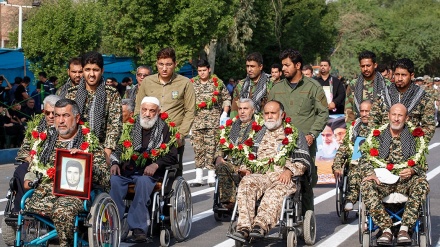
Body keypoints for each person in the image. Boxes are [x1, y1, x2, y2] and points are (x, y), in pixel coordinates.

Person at [23, 99, 110, 247]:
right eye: (57, 116)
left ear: (76, 118)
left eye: (65, 116)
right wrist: (29, 177)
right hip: (46, 191)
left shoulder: (89, 140)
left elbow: (105, 177)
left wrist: (84, 162)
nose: (60, 121)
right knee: (25, 205)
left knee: (63, 211)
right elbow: (34, 165)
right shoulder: (45, 140)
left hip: (76, 195)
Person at [232, 101, 311, 241]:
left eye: (273, 113)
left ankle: (260, 226)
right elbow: (249, 157)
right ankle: (244, 228)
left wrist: (289, 171)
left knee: (276, 190)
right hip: (261, 175)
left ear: (282, 115)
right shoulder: (257, 133)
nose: (269, 116)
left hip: (283, 177)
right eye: (266, 113)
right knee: (246, 182)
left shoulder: (294, 133)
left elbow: (303, 161)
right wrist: (246, 169)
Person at [110, 96, 178, 242]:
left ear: (158, 112)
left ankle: (138, 228)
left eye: (152, 111)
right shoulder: (129, 126)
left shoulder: (165, 129)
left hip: (150, 174)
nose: (147, 114)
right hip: (128, 170)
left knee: (142, 183)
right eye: (144, 110)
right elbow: (118, 149)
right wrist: (114, 163)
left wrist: (156, 164)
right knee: (114, 180)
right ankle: (113, 223)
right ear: (140, 110)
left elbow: (172, 156)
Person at [268, 48, 328, 212]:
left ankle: (307, 218)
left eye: (287, 65)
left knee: (306, 180)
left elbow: (322, 113)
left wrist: (312, 134)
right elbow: (267, 114)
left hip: (305, 143)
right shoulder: (276, 88)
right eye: (282, 65)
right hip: (280, 143)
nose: (284, 69)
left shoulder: (313, 87)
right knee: (276, 177)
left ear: (298, 65)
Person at [360, 103, 429, 245]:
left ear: (406, 118)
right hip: (383, 181)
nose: (396, 118)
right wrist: (371, 173)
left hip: (406, 181)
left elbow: (423, 166)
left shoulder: (415, 137)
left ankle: (404, 229)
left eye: (400, 115)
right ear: (388, 116)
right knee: (367, 184)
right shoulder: (376, 136)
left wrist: (412, 170)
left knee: (422, 183)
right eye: (394, 115)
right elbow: (364, 160)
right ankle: (386, 229)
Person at [134, 47, 195, 177]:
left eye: (168, 64)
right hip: (148, 136)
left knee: (172, 174)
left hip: (173, 137)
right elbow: (137, 109)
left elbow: (190, 111)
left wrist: (181, 135)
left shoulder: (185, 83)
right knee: (142, 171)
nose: (164, 68)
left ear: (175, 64)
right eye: (161, 64)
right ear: (156, 63)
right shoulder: (147, 82)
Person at [65, 51, 122, 164]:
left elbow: (114, 126)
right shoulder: (72, 93)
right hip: (74, 147)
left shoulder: (111, 94)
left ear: (102, 70)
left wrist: (106, 154)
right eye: (87, 70)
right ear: (83, 70)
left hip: (101, 150)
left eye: (95, 70)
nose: (91, 74)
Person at [370, 58, 436, 142]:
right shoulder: (383, 95)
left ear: (412, 75)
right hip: (383, 145)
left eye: (404, 75)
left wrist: (418, 144)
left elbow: (429, 125)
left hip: (410, 147)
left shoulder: (423, 97)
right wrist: (376, 142)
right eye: (397, 74)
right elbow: (373, 120)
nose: (400, 78)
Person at [189, 59, 231, 186]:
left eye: (204, 70)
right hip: (196, 122)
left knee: (212, 148)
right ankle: (199, 176)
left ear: (209, 70)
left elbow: (226, 98)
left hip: (213, 121)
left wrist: (224, 113)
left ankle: (211, 176)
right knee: (198, 149)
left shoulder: (217, 83)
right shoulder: (192, 84)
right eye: (199, 71)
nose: (202, 73)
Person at [215, 98, 260, 210]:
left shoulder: (260, 126)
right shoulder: (231, 126)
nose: (242, 112)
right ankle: (229, 202)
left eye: (246, 108)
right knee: (222, 165)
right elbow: (222, 143)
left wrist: (249, 166)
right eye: (240, 108)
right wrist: (219, 156)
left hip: (251, 165)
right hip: (233, 164)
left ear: (253, 110)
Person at [332, 100, 372, 211]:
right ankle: (350, 199)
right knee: (354, 170)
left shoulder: (381, 128)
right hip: (357, 161)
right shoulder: (354, 128)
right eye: (362, 111)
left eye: (367, 111)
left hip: (375, 162)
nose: (364, 114)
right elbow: (343, 149)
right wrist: (337, 167)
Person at [344, 50, 388, 124]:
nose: (365, 69)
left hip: (380, 127)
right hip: (358, 127)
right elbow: (349, 110)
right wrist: (350, 130)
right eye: (362, 66)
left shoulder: (386, 84)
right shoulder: (353, 84)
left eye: (368, 65)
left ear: (375, 65)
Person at [230, 52, 270, 118]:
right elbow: (235, 108)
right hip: (244, 123)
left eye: (252, 66)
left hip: (264, 122)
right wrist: (233, 124)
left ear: (260, 67)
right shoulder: (241, 85)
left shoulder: (270, 83)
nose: (249, 70)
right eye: (247, 66)